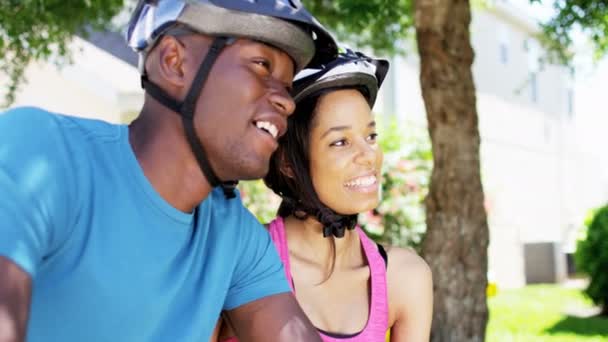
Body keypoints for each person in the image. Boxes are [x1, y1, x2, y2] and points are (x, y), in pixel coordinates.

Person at [0, 1, 339, 341]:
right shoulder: (45, 153)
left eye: (288, 84)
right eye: (262, 65)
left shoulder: (234, 235)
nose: (288, 101)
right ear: (173, 62)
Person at [218, 49, 433, 341]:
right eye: (341, 142)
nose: (368, 155)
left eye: (370, 136)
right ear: (288, 163)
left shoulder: (404, 277)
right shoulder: (238, 262)